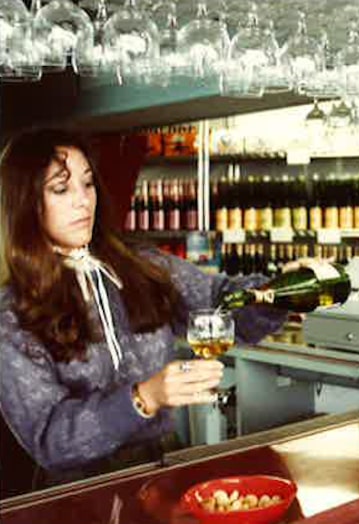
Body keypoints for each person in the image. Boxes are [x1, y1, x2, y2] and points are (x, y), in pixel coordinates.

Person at [0, 129, 286, 488]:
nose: (83, 201)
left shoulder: (138, 265)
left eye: (88, 185)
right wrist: (143, 398)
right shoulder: (12, 315)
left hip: (162, 475)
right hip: (78, 498)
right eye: (61, 189)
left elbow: (220, 302)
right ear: (25, 202)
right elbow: (50, 440)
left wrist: (279, 292)